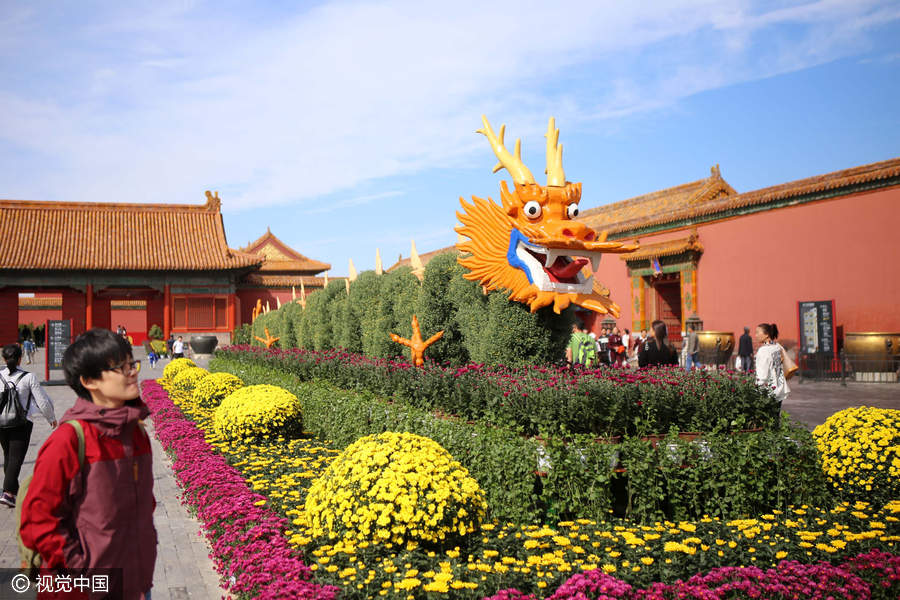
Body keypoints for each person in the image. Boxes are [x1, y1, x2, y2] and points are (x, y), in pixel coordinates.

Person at [20, 328, 156, 599]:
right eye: (121, 367)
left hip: (136, 583)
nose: (132, 372)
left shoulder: (137, 434)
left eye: (132, 363)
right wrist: (83, 574)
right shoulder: (69, 440)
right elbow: (37, 521)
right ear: (90, 381)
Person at [0, 344, 57, 507]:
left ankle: (13, 491)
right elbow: (42, 401)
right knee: (16, 459)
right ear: (20, 358)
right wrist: (51, 418)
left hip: (1, 424)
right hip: (21, 423)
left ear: (4, 359)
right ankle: (8, 492)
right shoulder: (28, 377)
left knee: (8, 456)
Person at [754, 322, 790, 403]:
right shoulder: (777, 347)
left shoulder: (763, 350)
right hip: (780, 388)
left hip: (768, 392)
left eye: (757, 332)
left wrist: (757, 389)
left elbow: (762, 375)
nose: (756, 335)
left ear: (766, 335)